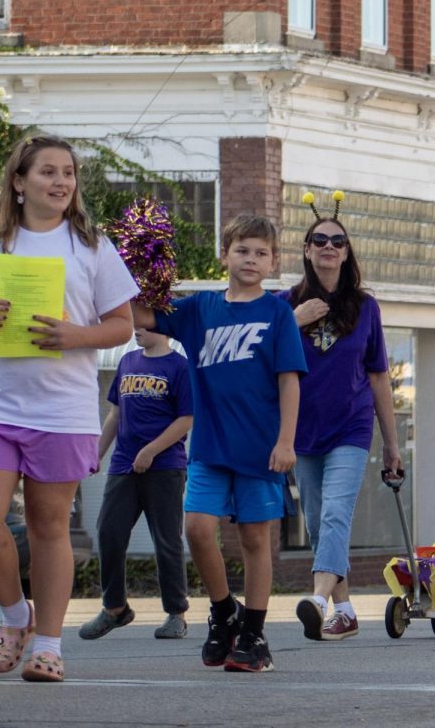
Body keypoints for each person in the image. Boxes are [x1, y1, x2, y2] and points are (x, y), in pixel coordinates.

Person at [0, 134, 138, 682]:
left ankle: (48, 645)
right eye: (48, 172)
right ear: (19, 181)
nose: (60, 182)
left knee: (49, 526)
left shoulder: (92, 246)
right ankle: (14, 616)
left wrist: (77, 335)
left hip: (62, 410)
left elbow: (123, 324)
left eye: (68, 173)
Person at [135, 215, 306, 673]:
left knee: (255, 539)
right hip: (210, 445)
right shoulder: (199, 309)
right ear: (224, 254)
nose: (251, 259)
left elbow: (289, 381)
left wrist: (286, 440)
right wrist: (136, 266)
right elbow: (138, 313)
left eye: (261, 253)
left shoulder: (277, 313)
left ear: (273, 262)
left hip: (261, 448)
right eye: (242, 250)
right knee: (196, 529)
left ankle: (253, 633)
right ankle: (222, 610)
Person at [281, 210, 402, 641]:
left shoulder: (365, 307)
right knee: (316, 521)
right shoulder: (284, 304)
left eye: (337, 241)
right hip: (302, 429)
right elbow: (259, 359)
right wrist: (293, 321)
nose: (329, 247)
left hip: (351, 428)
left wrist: (391, 443)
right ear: (307, 250)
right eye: (320, 240)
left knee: (335, 513)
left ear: (347, 252)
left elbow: (378, 377)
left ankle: (316, 600)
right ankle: (345, 610)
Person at [79, 314, 193, 642]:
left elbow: (186, 419)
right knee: (109, 532)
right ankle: (115, 608)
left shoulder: (179, 367)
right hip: (123, 465)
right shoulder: (128, 361)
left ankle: (176, 613)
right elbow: (115, 413)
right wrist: (96, 454)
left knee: (166, 539)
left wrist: (152, 451)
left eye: (145, 323)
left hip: (165, 467)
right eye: (136, 323)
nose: (137, 328)